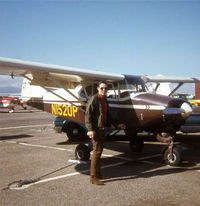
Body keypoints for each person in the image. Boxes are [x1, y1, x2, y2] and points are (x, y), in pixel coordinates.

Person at [85, 81, 126, 185]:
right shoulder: (94, 99)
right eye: (102, 88)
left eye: (106, 88)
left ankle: (98, 174)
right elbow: (88, 114)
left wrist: (117, 125)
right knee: (96, 152)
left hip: (102, 128)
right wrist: (90, 129)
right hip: (96, 129)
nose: (104, 90)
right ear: (98, 88)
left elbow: (108, 116)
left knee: (99, 152)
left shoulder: (104, 100)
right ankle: (93, 177)